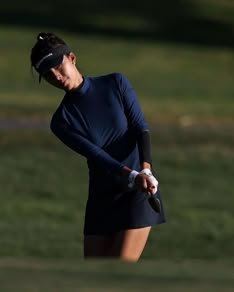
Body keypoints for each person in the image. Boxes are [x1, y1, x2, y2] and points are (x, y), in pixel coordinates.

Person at [30, 32, 166, 262]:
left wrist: (145, 170)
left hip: (138, 192)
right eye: (47, 74)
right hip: (102, 196)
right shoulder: (61, 120)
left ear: (72, 58)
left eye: (57, 66)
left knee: (117, 274)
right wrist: (132, 175)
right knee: (93, 278)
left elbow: (140, 127)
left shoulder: (116, 83)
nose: (55, 76)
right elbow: (97, 155)